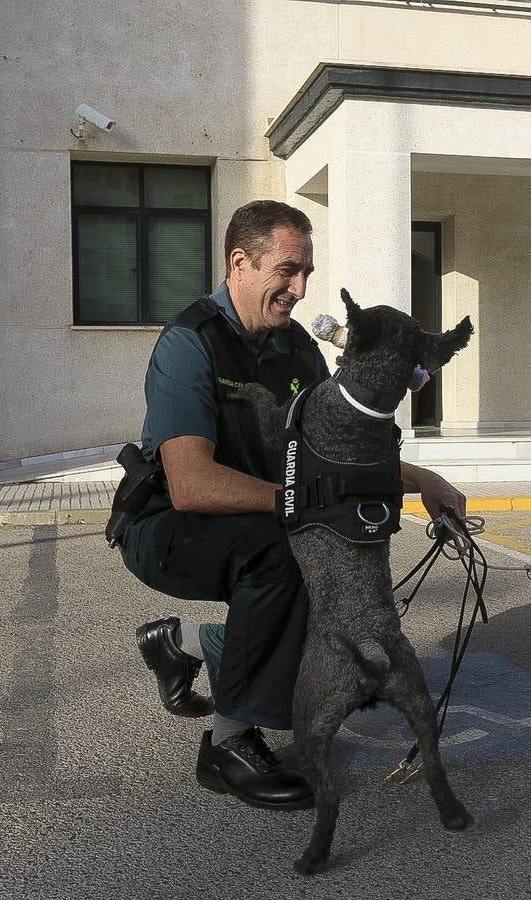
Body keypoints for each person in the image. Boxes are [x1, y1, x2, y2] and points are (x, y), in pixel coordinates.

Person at [120, 199, 467, 810]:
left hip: (257, 513)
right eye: (287, 271)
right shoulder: (189, 344)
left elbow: (338, 448)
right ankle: (227, 747)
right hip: (167, 525)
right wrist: (300, 498)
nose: (301, 289)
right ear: (240, 263)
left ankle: (187, 649)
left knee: (326, 562)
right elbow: (191, 484)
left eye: (306, 272)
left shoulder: (296, 350)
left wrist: (422, 480)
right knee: (284, 558)